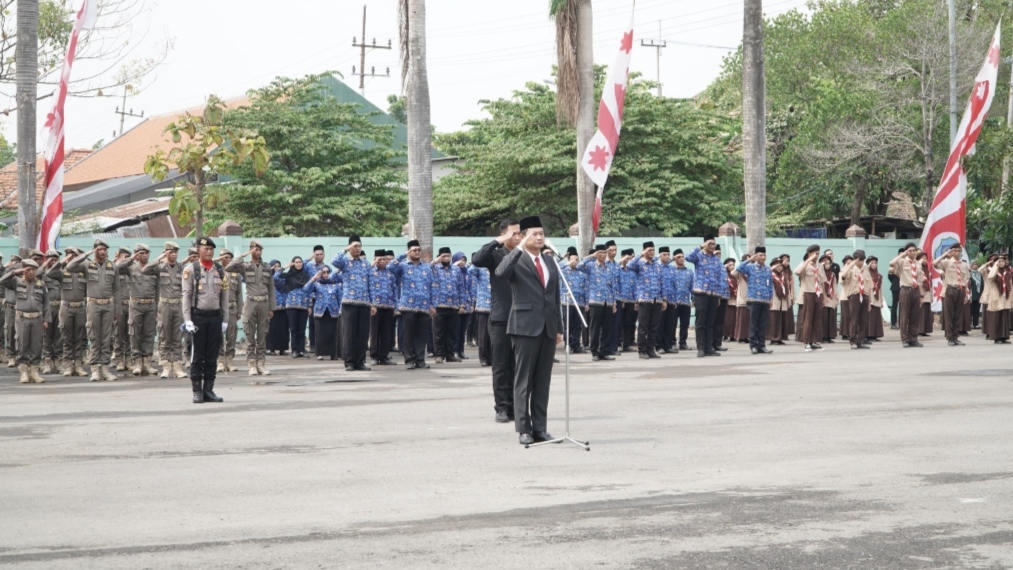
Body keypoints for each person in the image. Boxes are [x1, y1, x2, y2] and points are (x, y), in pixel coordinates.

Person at [494, 216, 563, 446]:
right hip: (524, 327)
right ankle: (524, 429)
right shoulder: (517, 259)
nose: (540, 237)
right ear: (523, 237)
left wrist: (559, 327)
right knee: (523, 380)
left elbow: (554, 296)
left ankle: (540, 428)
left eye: (542, 233)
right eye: (535, 234)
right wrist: (519, 248)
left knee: (542, 381)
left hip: (547, 328)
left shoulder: (549, 261)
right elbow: (501, 272)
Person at [474, 220, 522, 422]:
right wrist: (497, 241)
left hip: (522, 318)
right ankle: (501, 406)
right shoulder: (495, 255)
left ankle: (514, 406)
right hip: (501, 317)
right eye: (513, 233)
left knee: (517, 366)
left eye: (520, 233)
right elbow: (477, 259)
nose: (518, 237)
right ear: (504, 235)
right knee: (501, 365)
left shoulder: (525, 255)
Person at [182, 237, 229, 404]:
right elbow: (186, 296)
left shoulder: (220, 270)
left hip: (215, 317)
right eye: (205, 249)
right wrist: (188, 319)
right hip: (198, 318)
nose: (209, 252)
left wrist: (225, 319)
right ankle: (197, 391)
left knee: (212, 355)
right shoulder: (191, 269)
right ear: (198, 250)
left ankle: (209, 390)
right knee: (197, 356)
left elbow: (225, 296)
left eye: (211, 249)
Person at [66, 239, 120, 381]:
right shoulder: (87, 265)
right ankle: (95, 369)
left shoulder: (113, 267)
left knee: (107, 338)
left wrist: (117, 310)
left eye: (104, 249)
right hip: (93, 305)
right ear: (95, 250)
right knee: (94, 337)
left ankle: (105, 368)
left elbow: (117, 289)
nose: (102, 252)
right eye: (99, 249)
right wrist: (87, 254)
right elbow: (70, 266)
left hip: (108, 305)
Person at [225, 240, 277, 376]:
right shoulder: (245, 266)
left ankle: (261, 364)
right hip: (251, 302)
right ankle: (251, 364)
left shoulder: (266, 267)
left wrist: (271, 307)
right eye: (255, 249)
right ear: (251, 250)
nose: (258, 252)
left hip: (264, 303)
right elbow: (229, 267)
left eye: (259, 250)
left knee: (262, 335)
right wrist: (244, 254)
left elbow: (271, 288)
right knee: (249, 335)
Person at [389, 239, 437, 370]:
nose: (417, 252)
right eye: (414, 250)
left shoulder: (426, 268)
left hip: (424, 305)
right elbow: (390, 267)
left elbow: (432, 287)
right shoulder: (403, 266)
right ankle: (409, 359)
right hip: (408, 305)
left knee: (421, 335)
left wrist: (432, 305)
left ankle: (420, 360)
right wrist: (403, 255)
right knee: (408, 334)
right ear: (409, 252)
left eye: (419, 250)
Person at [0, 260, 51, 383]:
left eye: (34, 269)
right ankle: (24, 372)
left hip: (37, 319)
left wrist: (46, 319)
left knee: (37, 345)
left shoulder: (41, 284)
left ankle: (34, 372)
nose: (31, 272)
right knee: (22, 344)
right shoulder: (16, 282)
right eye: (28, 269)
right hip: (22, 318)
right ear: (23, 270)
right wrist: (14, 272)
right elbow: (2, 281)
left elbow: (46, 303)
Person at [116, 244, 160, 376]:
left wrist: (157, 306)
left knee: (149, 333)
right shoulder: (131, 268)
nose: (144, 255)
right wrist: (131, 258)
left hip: (150, 305)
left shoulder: (154, 268)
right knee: (135, 333)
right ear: (136, 254)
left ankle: (147, 362)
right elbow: (117, 267)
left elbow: (158, 288)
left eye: (146, 253)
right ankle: (137, 363)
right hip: (136, 304)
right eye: (141, 253)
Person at [332, 236, 373, 371]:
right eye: (354, 246)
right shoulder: (345, 262)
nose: (357, 249)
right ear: (350, 247)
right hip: (349, 303)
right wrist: (345, 249)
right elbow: (334, 261)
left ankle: (360, 362)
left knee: (362, 335)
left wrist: (372, 303)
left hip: (364, 303)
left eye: (359, 246)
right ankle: (349, 362)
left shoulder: (366, 264)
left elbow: (370, 284)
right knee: (349, 334)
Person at [46, 248, 88, 377]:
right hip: (66, 308)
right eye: (70, 256)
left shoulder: (83, 272)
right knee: (67, 338)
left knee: (79, 338)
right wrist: (64, 261)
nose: (72, 258)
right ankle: (69, 365)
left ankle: (78, 365)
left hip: (80, 308)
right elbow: (49, 273)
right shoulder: (62, 272)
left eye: (75, 256)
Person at [686, 236, 726, 358]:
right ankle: (701, 348)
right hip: (701, 293)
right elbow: (688, 257)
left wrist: (719, 295)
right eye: (710, 244)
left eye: (714, 244)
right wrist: (700, 247)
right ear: (705, 244)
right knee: (701, 322)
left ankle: (709, 348)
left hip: (714, 294)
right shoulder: (698, 256)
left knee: (711, 322)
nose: (712, 246)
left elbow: (720, 278)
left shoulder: (716, 259)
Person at [626, 241, 665, 359]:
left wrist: (664, 299)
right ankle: (642, 350)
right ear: (644, 251)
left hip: (657, 300)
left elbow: (662, 283)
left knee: (653, 327)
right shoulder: (640, 264)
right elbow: (629, 265)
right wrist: (641, 254)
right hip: (644, 300)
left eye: (653, 250)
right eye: (649, 250)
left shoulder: (657, 265)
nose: (652, 252)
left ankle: (651, 349)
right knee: (643, 327)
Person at [578, 244, 616, 361]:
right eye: (601, 253)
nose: (603, 255)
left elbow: (613, 286)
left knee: (607, 328)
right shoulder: (590, 266)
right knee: (595, 328)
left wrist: (614, 302)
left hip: (608, 302)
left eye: (605, 253)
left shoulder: (609, 268)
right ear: (596, 253)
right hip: (595, 301)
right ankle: (594, 352)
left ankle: (604, 351)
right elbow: (579, 266)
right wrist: (591, 256)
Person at [430, 247, 464, 364]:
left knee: (452, 332)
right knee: (438, 332)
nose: (446, 258)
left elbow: (461, 287)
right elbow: (423, 269)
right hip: (438, 305)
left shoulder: (456, 269)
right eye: (443, 256)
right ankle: (439, 354)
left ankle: (450, 355)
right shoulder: (434, 268)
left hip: (453, 306)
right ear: (439, 257)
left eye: (448, 256)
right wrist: (434, 262)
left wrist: (462, 304)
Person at [736, 248, 773, 354]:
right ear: (756, 256)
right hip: (753, 299)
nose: (763, 257)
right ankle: (753, 346)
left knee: (763, 324)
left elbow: (770, 284)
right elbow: (738, 268)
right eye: (761, 255)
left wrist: (771, 298)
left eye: (764, 255)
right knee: (754, 324)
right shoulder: (750, 267)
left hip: (765, 300)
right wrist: (749, 259)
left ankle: (762, 345)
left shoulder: (768, 269)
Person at [889, 242, 925, 348]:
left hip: (915, 290)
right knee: (904, 315)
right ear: (907, 252)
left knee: (915, 316)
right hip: (905, 290)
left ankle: (913, 339)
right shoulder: (902, 261)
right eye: (910, 251)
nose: (912, 252)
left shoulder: (918, 264)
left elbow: (920, 280)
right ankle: (905, 339)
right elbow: (891, 263)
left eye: (914, 251)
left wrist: (921, 295)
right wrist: (903, 254)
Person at [275, 256, 311, 358]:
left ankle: (302, 350)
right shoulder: (288, 275)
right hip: (291, 304)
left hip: (304, 304)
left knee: (302, 329)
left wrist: (310, 305)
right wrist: (285, 266)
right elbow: (275, 277)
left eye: (300, 262)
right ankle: (295, 350)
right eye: (296, 262)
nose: (299, 264)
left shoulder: (306, 276)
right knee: (294, 328)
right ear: (293, 264)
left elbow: (310, 290)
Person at [303, 265, 342, 360]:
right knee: (320, 333)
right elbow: (305, 289)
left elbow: (340, 298)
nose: (326, 274)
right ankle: (320, 353)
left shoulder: (335, 284)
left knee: (333, 333)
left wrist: (341, 310)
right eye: (323, 272)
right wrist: (314, 278)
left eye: (327, 272)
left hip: (333, 311)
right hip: (320, 311)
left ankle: (333, 353)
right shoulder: (317, 283)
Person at [933, 243, 967, 346]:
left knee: (958, 315)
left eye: (959, 251)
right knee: (949, 315)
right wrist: (946, 254)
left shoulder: (964, 264)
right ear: (951, 252)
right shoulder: (947, 262)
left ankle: (955, 337)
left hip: (960, 290)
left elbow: (965, 280)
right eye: (955, 251)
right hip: (950, 289)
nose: (957, 253)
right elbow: (934, 263)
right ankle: (950, 338)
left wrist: (966, 294)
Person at [369, 249, 397, 366]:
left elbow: (394, 290)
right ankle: (375, 356)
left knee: (386, 332)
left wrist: (395, 307)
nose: (382, 261)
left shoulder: (390, 273)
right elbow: (368, 290)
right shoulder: (370, 272)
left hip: (389, 306)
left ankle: (384, 356)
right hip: (375, 307)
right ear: (375, 260)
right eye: (379, 259)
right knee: (375, 332)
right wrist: (371, 304)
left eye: (384, 259)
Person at [794, 244, 825, 352]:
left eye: (818, 253)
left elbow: (822, 282)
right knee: (808, 319)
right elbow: (797, 272)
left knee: (817, 319)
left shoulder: (820, 266)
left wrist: (824, 297)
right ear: (809, 254)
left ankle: (815, 341)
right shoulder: (804, 264)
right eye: (815, 253)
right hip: (808, 292)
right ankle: (807, 342)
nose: (817, 255)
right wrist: (808, 260)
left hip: (818, 293)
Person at [840, 251, 871, 350]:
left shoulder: (866, 269)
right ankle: (853, 341)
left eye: (863, 260)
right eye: (859, 260)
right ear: (855, 259)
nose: (861, 262)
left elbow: (869, 286)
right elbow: (842, 277)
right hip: (855, 295)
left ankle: (860, 341)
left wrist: (870, 302)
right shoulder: (850, 268)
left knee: (863, 320)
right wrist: (850, 265)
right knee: (854, 319)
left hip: (865, 295)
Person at [560, 247, 588, 355]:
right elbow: (556, 268)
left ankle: (576, 345)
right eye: (572, 260)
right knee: (568, 325)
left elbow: (586, 289)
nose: (574, 262)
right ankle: (568, 344)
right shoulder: (563, 271)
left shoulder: (582, 273)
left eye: (576, 260)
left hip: (579, 303)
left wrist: (586, 303)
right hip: (567, 302)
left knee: (578, 325)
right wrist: (565, 261)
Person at [39, 250, 62, 374]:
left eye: (55, 259)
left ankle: (58, 361)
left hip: (60, 307)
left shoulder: (61, 273)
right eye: (50, 259)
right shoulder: (42, 274)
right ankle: (47, 361)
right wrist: (44, 265)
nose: (53, 261)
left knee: (59, 336)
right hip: (48, 308)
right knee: (47, 336)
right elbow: (36, 274)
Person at [667, 249, 694, 351]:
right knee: (672, 324)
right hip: (673, 302)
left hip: (685, 302)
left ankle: (683, 342)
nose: (681, 259)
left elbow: (692, 286)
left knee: (685, 324)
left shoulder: (689, 271)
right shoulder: (670, 270)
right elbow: (662, 265)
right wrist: (671, 259)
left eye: (682, 257)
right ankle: (672, 342)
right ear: (674, 258)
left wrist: (693, 299)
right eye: (678, 257)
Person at [468, 257, 492, 366]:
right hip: (483, 305)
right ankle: (483, 357)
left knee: (495, 335)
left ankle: (492, 357)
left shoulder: (498, 266)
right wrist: (478, 259)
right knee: (483, 334)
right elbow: (470, 271)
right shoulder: (480, 268)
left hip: (498, 305)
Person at [304, 245, 328, 353]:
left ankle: (323, 345)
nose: (318, 256)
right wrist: (309, 258)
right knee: (313, 323)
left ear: (324, 255)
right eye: (316, 254)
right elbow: (300, 266)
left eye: (320, 254)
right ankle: (313, 345)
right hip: (312, 298)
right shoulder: (309, 267)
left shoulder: (327, 268)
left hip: (324, 298)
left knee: (324, 323)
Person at [112, 247, 132, 372]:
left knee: (130, 334)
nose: (127, 259)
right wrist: (121, 261)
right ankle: (119, 359)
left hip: (131, 305)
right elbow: (116, 267)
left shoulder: (131, 269)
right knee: (118, 334)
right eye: (125, 256)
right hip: (119, 306)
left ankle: (128, 359)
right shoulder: (113, 268)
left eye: (129, 257)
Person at [985, 254, 1012, 343]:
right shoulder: (993, 272)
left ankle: (1004, 337)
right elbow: (990, 276)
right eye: (999, 261)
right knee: (996, 317)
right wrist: (995, 266)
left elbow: (1010, 285)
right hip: (996, 297)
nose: (1001, 263)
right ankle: (997, 338)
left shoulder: (1007, 272)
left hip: (1005, 297)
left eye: (1002, 261)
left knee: (1005, 317)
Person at [266, 259, 289, 356]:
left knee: (283, 328)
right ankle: (270, 348)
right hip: (272, 307)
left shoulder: (283, 278)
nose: (277, 268)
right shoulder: (268, 278)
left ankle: (282, 348)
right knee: (272, 328)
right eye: (275, 266)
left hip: (284, 306)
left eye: (279, 266)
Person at [616, 248, 638, 353]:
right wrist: (620, 300)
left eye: (631, 259)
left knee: (628, 323)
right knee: (618, 323)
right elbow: (616, 285)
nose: (629, 261)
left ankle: (626, 344)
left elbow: (636, 287)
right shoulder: (617, 269)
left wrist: (636, 301)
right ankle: (618, 344)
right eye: (628, 258)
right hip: (620, 300)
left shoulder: (633, 271)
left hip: (631, 301)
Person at [768, 257, 791, 345]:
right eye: (777, 265)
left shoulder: (783, 275)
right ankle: (773, 338)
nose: (779, 267)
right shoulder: (770, 274)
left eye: (781, 265)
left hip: (783, 300)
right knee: (774, 319)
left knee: (781, 319)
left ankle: (780, 337)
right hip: (774, 299)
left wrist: (789, 300)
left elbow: (787, 287)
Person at [2, 254, 20, 367]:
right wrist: (10, 269)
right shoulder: (8, 278)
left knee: (21, 333)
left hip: (21, 309)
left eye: (17, 263)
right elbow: (2, 280)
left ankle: (19, 355)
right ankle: (11, 356)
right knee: (9, 331)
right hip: (11, 308)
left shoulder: (22, 278)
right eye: (13, 262)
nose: (15, 264)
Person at [819, 254, 840, 343]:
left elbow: (834, 285)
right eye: (825, 263)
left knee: (830, 317)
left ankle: (829, 336)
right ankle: (822, 336)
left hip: (831, 297)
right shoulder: (819, 274)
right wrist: (822, 297)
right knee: (823, 318)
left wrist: (836, 296)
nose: (827, 265)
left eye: (828, 263)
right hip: (823, 296)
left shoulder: (832, 274)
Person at [731, 254, 751, 343]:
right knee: (742, 319)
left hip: (751, 298)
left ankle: (747, 336)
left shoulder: (752, 272)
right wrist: (744, 263)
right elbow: (733, 272)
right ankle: (741, 337)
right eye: (747, 262)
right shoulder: (740, 273)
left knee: (749, 320)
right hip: (742, 299)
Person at [866, 256, 885, 342]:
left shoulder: (879, 276)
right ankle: (869, 335)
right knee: (870, 317)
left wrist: (881, 300)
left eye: (875, 263)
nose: (874, 265)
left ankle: (875, 335)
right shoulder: (867, 274)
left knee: (876, 317)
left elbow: (880, 289)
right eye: (872, 263)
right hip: (869, 298)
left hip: (877, 299)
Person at [918, 252, 934, 336]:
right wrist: (919, 263)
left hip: (927, 292)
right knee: (921, 311)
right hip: (920, 292)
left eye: (925, 259)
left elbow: (930, 282)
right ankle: (919, 329)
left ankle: (925, 330)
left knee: (926, 311)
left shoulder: (927, 270)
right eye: (923, 258)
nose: (925, 260)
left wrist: (932, 295)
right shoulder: (918, 269)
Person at [839, 255, 853, 341]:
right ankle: (845, 333)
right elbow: (841, 281)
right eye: (847, 262)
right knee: (846, 316)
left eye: (851, 262)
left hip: (853, 295)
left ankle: (852, 332)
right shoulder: (842, 271)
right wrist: (846, 268)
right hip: (845, 296)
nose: (849, 263)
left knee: (853, 316)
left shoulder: (855, 271)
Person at [888, 248, 902, 330]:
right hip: (896, 287)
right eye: (901, 254)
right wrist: (895, 283)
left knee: (903, 306)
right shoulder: (894, 263)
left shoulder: (907, 263)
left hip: (904, 287)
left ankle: (902, 323)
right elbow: (890, 276)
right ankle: (893, 323)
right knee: (894, 305)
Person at [970, 260, 984, 329]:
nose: (975, 266)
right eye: (974, 264)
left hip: (978, 294)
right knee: (970, 310)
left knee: (976, 310)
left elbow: (982, 284)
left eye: (976, 264)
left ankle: (976, 324)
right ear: (971, 266)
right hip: (971, 295)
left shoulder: (979, 274)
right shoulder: (970, 274)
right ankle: (969, 324)